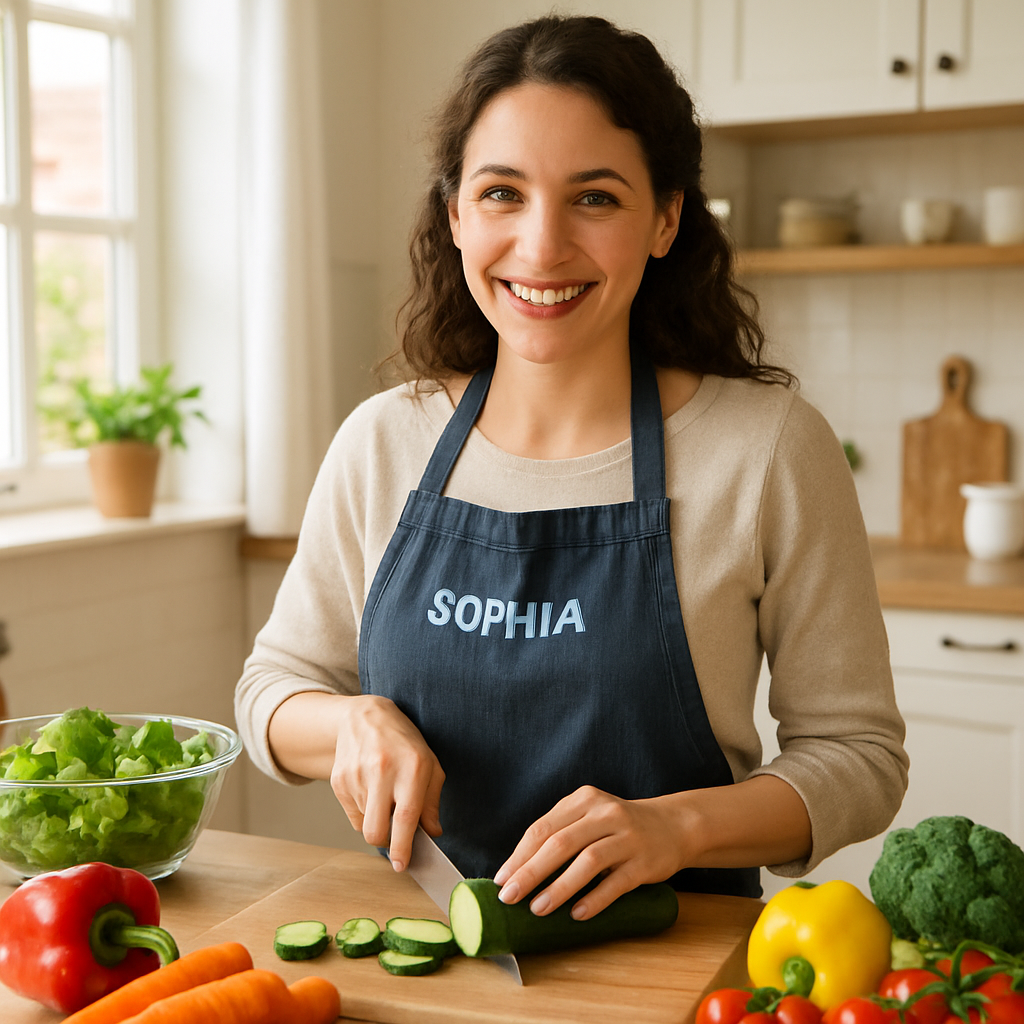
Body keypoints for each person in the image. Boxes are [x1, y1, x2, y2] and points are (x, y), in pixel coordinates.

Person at [236, 14, 908, 920]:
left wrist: (679, 829)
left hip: (677, 970)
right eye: (503, 194)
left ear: (668, 217)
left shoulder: (767, 448)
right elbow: (272, 688)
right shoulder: (382, 442)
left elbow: (859, 756)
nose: (542, 246)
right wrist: (349, 723)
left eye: (594, 197)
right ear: (456, 216)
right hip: (430, 956)